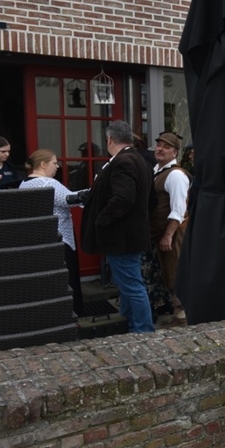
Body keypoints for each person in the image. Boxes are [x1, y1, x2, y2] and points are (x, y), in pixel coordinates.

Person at [80, 120, 155, 333]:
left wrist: (101, 219)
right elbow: (149, 200)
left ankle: (143, 330)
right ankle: (129, 321)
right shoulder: (140, 160)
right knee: (128, 284)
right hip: (130, 234)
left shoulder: (124, 162)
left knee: (132, 285)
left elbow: (124, 197)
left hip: (121, 237)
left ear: (110, 139)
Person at [19, 149, 85, 315]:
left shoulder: (24, 184)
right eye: (54, 163)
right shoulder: (48, 183)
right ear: (43, 164)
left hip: (39, 238)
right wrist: (95, 191)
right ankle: (72, 312)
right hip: (60, 237)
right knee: (67, 277)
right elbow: (70, 199)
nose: (57, 167)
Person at [147, 132, 192, 325]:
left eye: (166, 147)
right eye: (159, 145)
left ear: (175, 153)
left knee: (175, 274)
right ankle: (178, 314)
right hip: (160, 233)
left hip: (174, 234)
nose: (160, 149)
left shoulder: (176, 175)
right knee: (167, 274)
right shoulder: (157, 171)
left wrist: (168, 235)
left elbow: (178, 210)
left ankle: (182, 317)